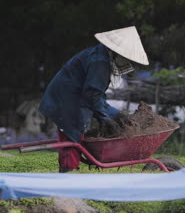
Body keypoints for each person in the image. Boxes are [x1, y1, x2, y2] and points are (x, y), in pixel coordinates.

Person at [38, 26, 149, 172]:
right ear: (117, 52)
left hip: (72, 96)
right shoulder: (100, 62)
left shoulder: (101, 55)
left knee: (74, 137)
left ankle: (67, 174)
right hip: (67, 100)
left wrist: (117, 116)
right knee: (72, 138)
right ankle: (66, 177)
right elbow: (91, 96)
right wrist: (104, 118)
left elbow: (97, 97)